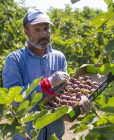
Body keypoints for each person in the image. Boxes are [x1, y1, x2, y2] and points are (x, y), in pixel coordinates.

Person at [2, 9, 93, 140]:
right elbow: (13, 100)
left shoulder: (59, 57)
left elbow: (64, 95)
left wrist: (80, 104)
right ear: (27, 33)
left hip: (55, 136)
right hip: (26, 136)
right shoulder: (14, 60)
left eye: (46, 28)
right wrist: (46, 84)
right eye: (37, 30)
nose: (43, 34)